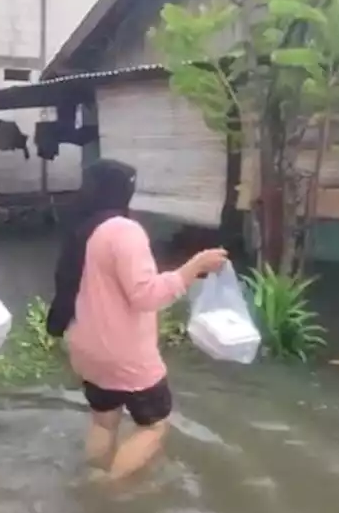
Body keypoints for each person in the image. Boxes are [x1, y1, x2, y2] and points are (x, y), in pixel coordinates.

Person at [46, 159, 229, 482]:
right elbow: (146, 295)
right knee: (154, 427)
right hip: (124, 355)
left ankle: (92, 478)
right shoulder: (124, 231)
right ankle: (108, 491)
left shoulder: (83, 229)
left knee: (103, 422)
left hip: (86, 349)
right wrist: (194, 266)